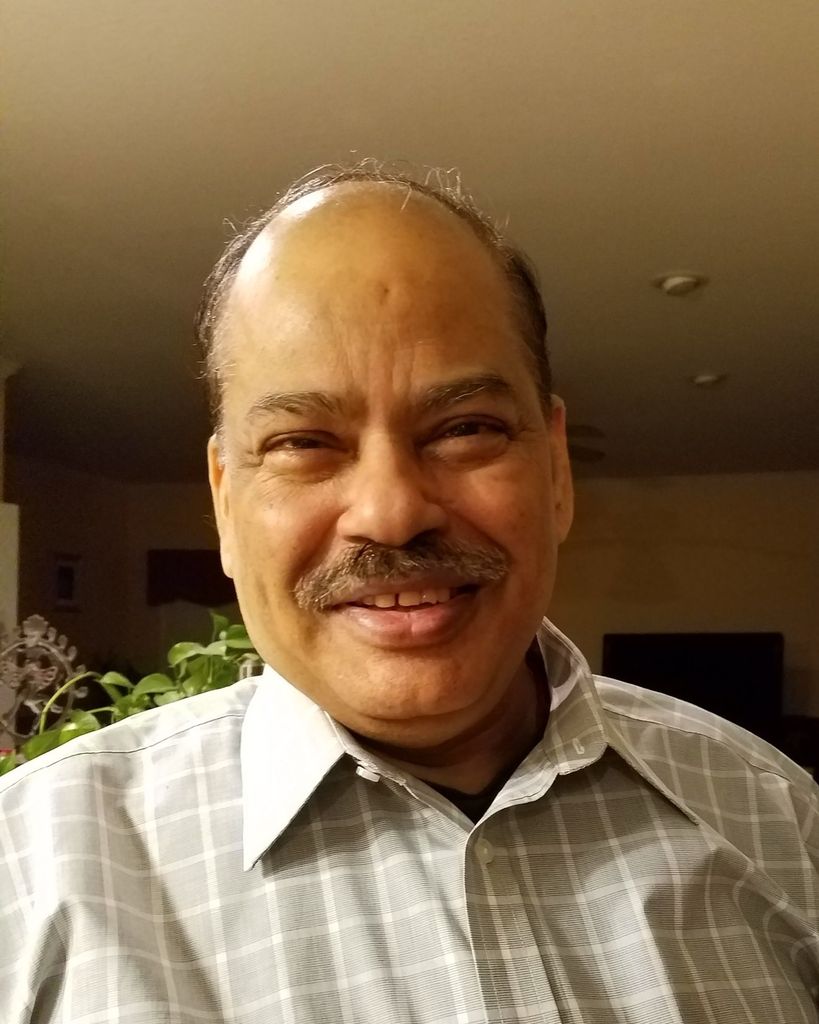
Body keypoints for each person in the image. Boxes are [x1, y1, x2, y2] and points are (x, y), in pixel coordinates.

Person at [1, 164, 817, 1024]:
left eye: (464, 429)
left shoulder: (774, 816)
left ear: (555, 470)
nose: (390, 514)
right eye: (302, 442)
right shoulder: (27, 876)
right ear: (226, 502)